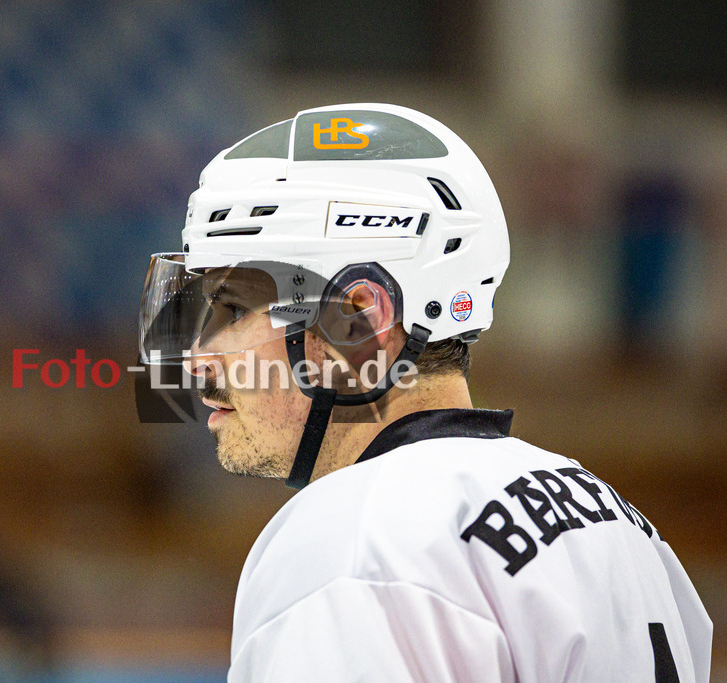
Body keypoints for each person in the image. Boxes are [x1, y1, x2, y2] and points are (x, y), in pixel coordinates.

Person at [137, 103, 712, 681]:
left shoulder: (352, 544)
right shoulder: (617, 520)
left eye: (235, 309)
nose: (198, 358)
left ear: (358, 320)